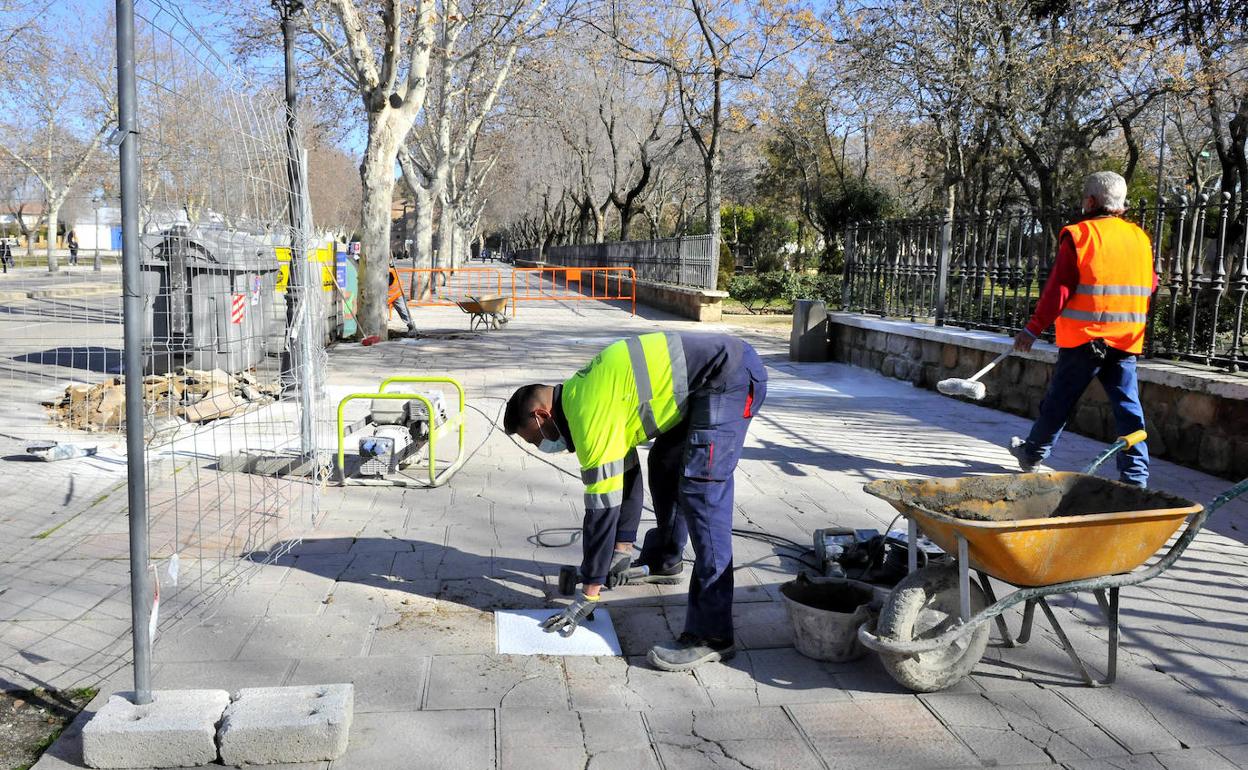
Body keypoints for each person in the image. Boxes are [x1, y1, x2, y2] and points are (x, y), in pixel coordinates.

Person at [504, 332, 767, 671]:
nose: (544, 445)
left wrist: (591, 589)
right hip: (707, 383)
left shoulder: (589, 416)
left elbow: (601, 512)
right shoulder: (583, 394)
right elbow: (626, 474)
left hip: (728, 378)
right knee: (665, 463)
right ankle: (665, 560)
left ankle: (713, 635)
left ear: (542, 417)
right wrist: (622, 549)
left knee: (702, 493)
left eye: (536, 439)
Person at [1009, 171, 1157, 487]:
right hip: (1125, 339)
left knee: (1059, 402)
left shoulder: (1080, 235)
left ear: (1090, 201)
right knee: (1129, 410)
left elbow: (1059, 289)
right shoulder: (1140, 239)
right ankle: (1135, 476)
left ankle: (1032, 453)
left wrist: (1033, 329)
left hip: (1086, 338)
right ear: (1121, 204)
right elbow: (1152, 283)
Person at [387, 262, 417, 337]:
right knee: (403, 311)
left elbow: (387, 283)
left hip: (395, 294)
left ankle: (411, 326)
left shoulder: (389, 272)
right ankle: (411, 325)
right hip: (394, 293)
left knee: (403, 311)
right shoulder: (391, 270)